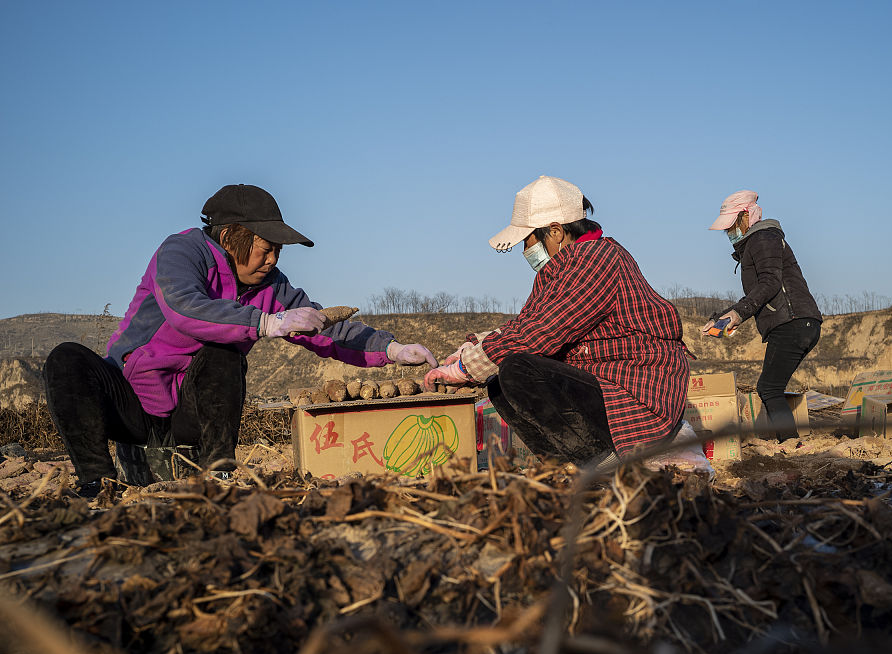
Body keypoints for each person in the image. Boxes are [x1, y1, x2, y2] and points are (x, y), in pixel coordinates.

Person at [44, 183, 437, 496]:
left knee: (224, 353)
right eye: (266, 249)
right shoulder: (182, 252)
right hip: (132, 402)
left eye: (278, 252)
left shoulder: (272, 286)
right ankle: (96, 482)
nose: (273, 260)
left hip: (188, 414)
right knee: (66, 359)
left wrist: (391, 349)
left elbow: (322, 326)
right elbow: (185, 308)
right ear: (232, 237)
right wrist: (266, 322)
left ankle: (219, 474)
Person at [423, 175, 694, 470]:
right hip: (601, 382)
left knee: (517, 369)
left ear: (555, 232)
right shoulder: (560, 270)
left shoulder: (596, 260)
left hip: (632, 392)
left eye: (528, 241)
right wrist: (469, 352)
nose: (525, 252)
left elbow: (539, 333)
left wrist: (463, 370)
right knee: (499, 382)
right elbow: (526, 322)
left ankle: (602, 464)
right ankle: (562, 466)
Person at [705, 190, 821, 442]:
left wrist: (738, 314)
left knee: (769, 388)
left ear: (746, 216)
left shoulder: (763, 238)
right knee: (771, 386)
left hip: (791, 321)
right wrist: (721, 318)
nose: (729, 232)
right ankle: (788, 441)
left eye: (731, 225)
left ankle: (790, 443)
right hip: (796, 321)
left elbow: (770, 283)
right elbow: (759, 291)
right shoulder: (758, 242)